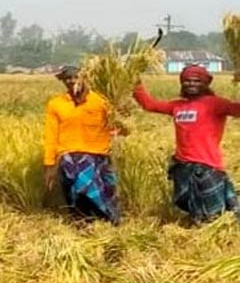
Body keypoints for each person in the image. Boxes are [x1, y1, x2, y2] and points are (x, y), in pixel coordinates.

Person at [134, 65, 240, 223]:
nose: (191, 84)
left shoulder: (215, 104)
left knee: (216, 213)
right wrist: (134, 81)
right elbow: (150, 105)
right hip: (183, 165)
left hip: (206, 165)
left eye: (197, 81)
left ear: (205, 84)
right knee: (194, 206)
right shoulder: (178, 106)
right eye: (187, 81)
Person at [42, 66, 120, 224]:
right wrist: (49, 164)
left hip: (98, 153)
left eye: (75, 77)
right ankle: (82, 221)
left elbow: (118, 128)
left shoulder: (101, 101)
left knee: (97, 189)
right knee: (79, 186)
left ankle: (105, 221)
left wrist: (120, 120)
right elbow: (51, 135)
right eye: (67, 78)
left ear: (84, 78)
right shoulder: (56, 104)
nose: (72, 81)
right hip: (69, 154)